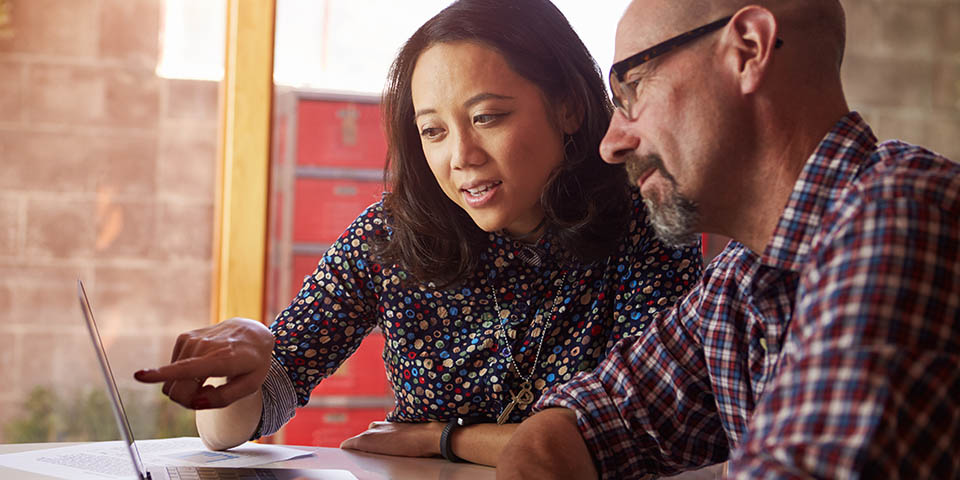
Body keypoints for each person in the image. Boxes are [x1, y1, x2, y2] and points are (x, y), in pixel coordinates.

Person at [134, 0, 702, 468]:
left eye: (487, 117)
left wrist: (442, 438)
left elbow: (641, 437)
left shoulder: (648, 224)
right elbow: (242, 423)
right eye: (433, 130)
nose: (462, 157)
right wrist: (244, 352)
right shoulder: (392, 234)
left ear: (570, 108)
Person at [497, 0, 960, 478]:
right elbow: (577, 422)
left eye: (632, 87)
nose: (610, 145)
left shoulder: (901, 217)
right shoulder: (739, 277)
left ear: (748, 49)